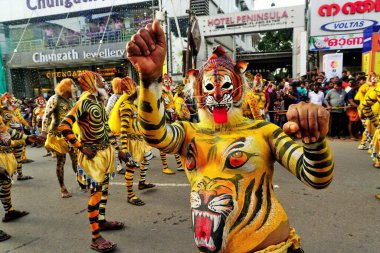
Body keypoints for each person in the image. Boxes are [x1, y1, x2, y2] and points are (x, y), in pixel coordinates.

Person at [127, 21, 334, 253]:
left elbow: (317, 178)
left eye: (225, 85)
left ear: (239, 88)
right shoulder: (189, 133)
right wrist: (150, 81)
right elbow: (154, 135)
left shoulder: (264, 131)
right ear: (198, 92)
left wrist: (314, 141)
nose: (217, 94)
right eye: (208, 87)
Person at [59, 71, 126, 252]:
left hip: (105, 152)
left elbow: (106, 129)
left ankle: (102, 222)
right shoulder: (84, 102)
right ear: (90, 82)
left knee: (104, 190)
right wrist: (80, 147)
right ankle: (95, 237)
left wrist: (119, 150)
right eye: (99, 80)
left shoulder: (98, 101)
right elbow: (64, 126)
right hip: (93, 157)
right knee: (95, 194)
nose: (104, 82)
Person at [109, 76, 155, 206]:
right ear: (132, 91)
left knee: (148, 156)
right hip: (130, 143)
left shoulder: (133, 105)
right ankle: (130, 195)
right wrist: (123, 150)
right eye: (136, 89)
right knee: (131, 167)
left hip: (139, 141)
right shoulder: (126, 107)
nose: (138, 91)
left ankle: (142, 182)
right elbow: (123, 129)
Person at [41, 79, 82, 198]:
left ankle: (81, 181)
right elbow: (46, 115)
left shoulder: (70, 101)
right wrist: (43, 132)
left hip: (71, 135)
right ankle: (63, 188)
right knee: (61, 162)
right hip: (58, 136)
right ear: (66, 88)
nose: (75, 89)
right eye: (73, 86)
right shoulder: (55, 98)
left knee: (76, 160)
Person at [0, 93, 32, 180]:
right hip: (8, 138)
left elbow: (19, 102)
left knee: (18, 157)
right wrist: (4, 100)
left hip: (18, 136)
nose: (12, 102)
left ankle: (20, 175)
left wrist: (11, 99)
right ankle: (8, 177)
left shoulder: (13, 111)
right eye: (10, 100)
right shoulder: (2, 111)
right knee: (8, 158)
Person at [159, 74, 180, 175]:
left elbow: (172, 104)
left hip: (171, 119)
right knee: (163, 143)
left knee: (175, 140)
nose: (168, 83)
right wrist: (168, 111)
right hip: (163, 121)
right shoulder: (160, 92)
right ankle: (165, 166)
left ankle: (179, 163)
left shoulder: (169, 92)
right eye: (165, 81)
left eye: (169, 81)